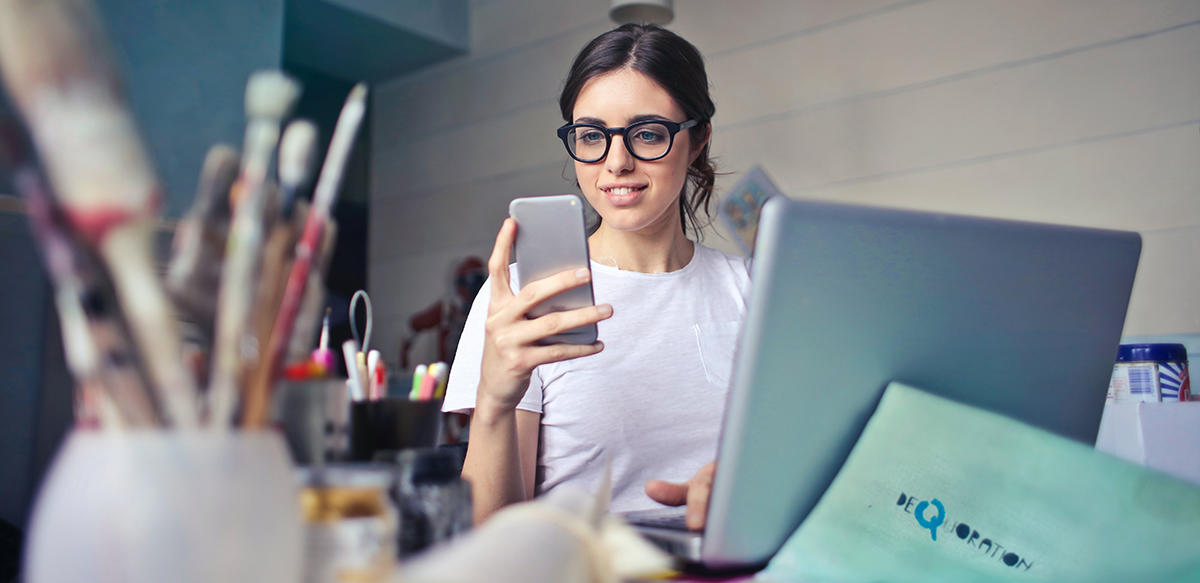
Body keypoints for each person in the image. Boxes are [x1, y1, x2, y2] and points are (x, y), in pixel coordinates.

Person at [443, 23, 751, 529]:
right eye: (591, 136)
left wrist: (748, 485)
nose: (617, 162)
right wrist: (495, 401)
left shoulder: (753, 291)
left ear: (697, 141)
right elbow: (491, 536)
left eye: (647, 133)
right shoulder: (524, 299)